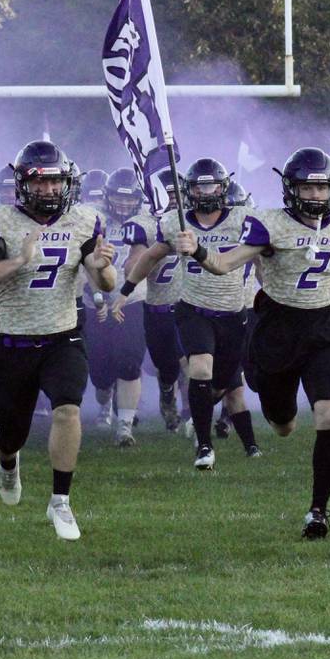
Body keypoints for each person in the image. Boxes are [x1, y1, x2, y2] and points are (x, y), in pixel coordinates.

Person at [174, 147, 330, 539]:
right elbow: (224, 264)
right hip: (276, 329)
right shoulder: (269, 224)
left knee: (329, 414)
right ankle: (264, 397)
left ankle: (318, 511)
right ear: (291, 188)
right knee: (283, 424)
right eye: (308, 188)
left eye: (322, 188)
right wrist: (198, 249)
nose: (316, 196)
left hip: (320, 328)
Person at [0, 140, 116, 541]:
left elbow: (104, 279)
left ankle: (61, 501)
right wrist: (19, 260)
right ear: (21, 184)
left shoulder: (84, 220)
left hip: (62, 337)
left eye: (56, 181)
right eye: (41, 182)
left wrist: (102, 270)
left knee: (68, 409)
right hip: (14, 343)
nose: (50, 190)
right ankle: (8, 464)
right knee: (9, 435)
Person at [118, 157, 257, 467]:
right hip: (189, 308)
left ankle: (202, 417)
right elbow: (148, 256)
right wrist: (125, 290)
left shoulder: (244, 219)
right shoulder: (169, 222)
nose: (206, 193)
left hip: (232, 311)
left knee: (222, 383)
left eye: (212, 186)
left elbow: (264, 257)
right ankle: (203, 444)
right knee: (197, 369)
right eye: (199, 187)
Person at [116, 170, 185, 433]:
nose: (173, 199)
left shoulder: (196, 220)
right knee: (166, 367)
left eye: (176, 193)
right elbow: (132, 265)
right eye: (167, 193)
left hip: (189, 305)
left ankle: (193, 421)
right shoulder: (143, 223)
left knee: (193, 362)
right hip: (157, 308)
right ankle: (167, 391)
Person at [83, 169, 147, 445]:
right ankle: (105, 401)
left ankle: (125, 426)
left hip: (132, 299)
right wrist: (98, 297)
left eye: (128, 199)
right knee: (100, 374)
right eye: (117, 199)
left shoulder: (147, 218)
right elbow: (83, 263)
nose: (122, 205)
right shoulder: (91, 218)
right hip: (95, 300)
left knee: (130, 363)